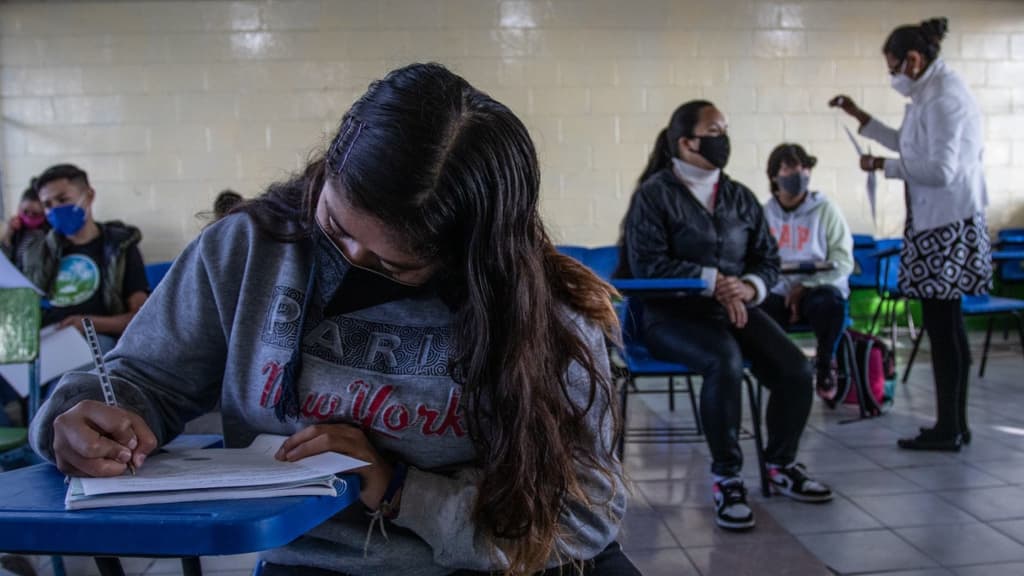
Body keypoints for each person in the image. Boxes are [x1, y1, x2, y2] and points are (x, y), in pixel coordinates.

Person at [29, 63, 636, 576]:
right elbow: (144, 379)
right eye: (335, 227)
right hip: (325, 564)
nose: (349, 260)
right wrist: (81, 419)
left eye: (395, 264)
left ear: (466, 255)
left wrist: (399, 488)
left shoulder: (541, 308)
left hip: (496, 561)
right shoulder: (247, 249)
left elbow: (583, 517)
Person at [616, 100, 832, 531]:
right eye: (715, 131)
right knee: (725, 361)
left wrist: (749, 285)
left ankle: (780, 465)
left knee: (794, 369)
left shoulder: (738, 196)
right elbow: (647, 265)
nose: (724, 139)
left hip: (733, 308)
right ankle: (727, 477)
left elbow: (767, 259)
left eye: (725, 129)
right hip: (669, 316)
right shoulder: (654, 195)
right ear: (687, 142)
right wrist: (712, 280)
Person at [830, 17, 990, 451]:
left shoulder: (944, 99)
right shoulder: (929, 94)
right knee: (945, 327)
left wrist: (884, 168)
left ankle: (949, 427)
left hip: (947, 225)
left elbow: (941, 170)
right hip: (936, 221)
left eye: (894, 67)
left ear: (914, 60)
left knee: (943, 328)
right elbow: (911, 144)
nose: (893, 76)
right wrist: (860, 118)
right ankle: (953, 424)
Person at [18, 164, 149, 350]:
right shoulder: (37, 252)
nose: (55, 209)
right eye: (47, 205)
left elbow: (142, 318)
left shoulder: (120, 247)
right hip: (46, 343)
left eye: (63, 199)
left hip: (99, 341)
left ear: (89, 195)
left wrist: (89, 324)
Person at [760, 143, 854, 403]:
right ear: (774, 175)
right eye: (789, 167)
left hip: (818, 285)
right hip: (777, 287)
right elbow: (754, 259)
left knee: (829, 304)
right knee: (757, 311)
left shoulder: (825, 210)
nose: (798, 173)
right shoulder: (764, 214)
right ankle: (780, 374)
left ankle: (825, 364)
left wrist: (807, 287)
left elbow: (842, 260)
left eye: (804, 167)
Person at [1, 184, 50, 270]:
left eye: (35, 214)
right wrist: (8, 236)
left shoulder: (48, 236)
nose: (28, 216)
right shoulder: (16, 231)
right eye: (25, 212)